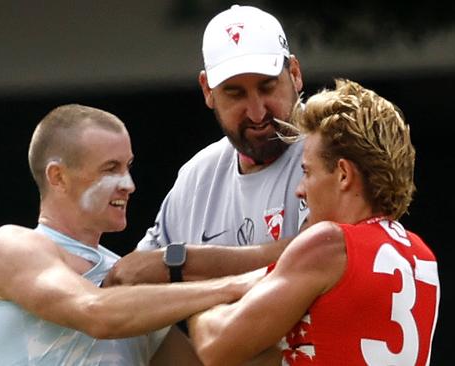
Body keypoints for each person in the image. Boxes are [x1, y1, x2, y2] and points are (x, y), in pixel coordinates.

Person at [0, 104, 261, 365]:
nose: (129, 184)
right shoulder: (11, 246)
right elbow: (96, 313)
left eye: (128, 167)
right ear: (57, 177)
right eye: (111, 169)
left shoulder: (127, 284)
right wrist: (238, 285)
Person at [188, 79, 441, 366]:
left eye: (307, 172)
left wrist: (204, 286)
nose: (300, 189)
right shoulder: (421, 256)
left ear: (343, 174)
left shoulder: (328, 243)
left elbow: (214, 344)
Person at [106, 4, 306, 286]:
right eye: (235, 94)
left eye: (267, 86)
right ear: (207, 90)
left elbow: (332, 252)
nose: (257, 112)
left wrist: (183, 264)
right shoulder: (197, 177)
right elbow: (136, 278)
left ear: (295, 74)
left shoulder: (338, 150)